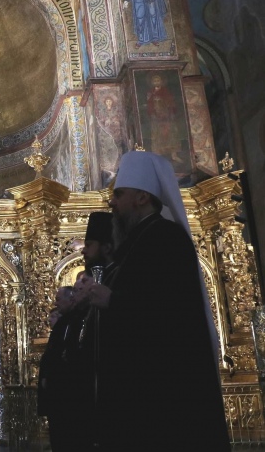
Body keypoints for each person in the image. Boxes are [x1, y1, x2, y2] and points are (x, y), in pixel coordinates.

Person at [79, 151, 230, 451]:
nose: (111, 203)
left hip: (163, 398)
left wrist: (113, 301)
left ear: (142, 197)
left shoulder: (165, 240)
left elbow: (171, 315)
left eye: (118, 194)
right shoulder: (137, 243)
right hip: (140, 396)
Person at [37, 286, 93, 451]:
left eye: (59, 299)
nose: (56, 303)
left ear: (71, 298)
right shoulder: (65, 322)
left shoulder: (76, 321)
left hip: (67, 395)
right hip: (58, 396)